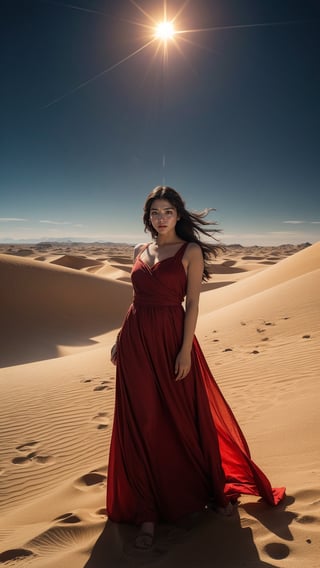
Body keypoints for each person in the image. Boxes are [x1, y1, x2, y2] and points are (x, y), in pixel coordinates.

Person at [107, 186, 285, 550]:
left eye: (168, 211)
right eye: (155, 212)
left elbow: (193, 306)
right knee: (142, 422)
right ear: (148, 217)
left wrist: (185, 351)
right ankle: (147, 512)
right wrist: (119, 338)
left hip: (174, 341)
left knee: (184, 417)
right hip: (136, 344)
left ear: (179, 215)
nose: (161, 218)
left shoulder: (190, 251)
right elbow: (136, 299)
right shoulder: (139, 250)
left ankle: (207, 491)